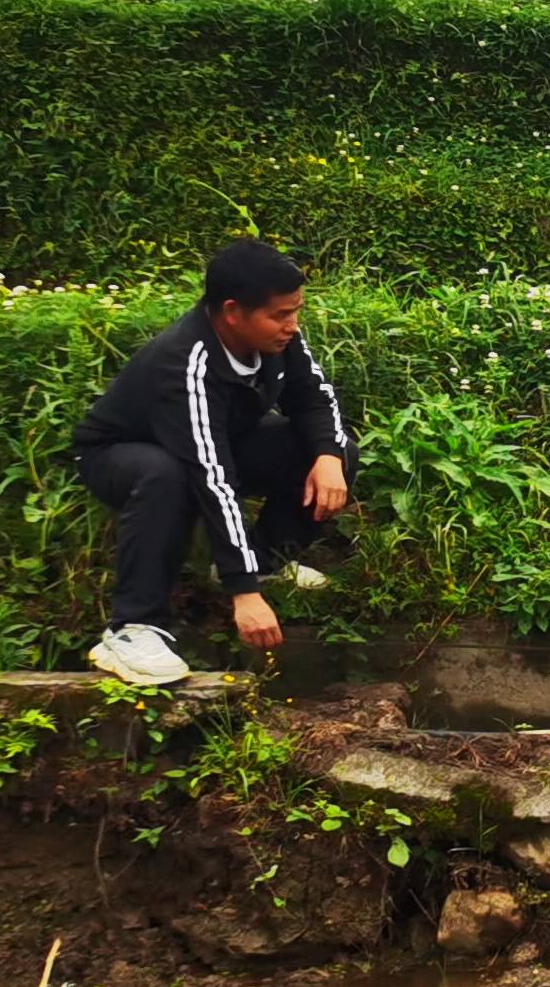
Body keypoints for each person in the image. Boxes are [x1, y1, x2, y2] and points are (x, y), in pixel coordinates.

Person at [72, 238, 353, 685]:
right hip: (122, 455)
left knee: (330, 450)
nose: (292, 325)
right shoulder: (186, 364)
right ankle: (131, 629)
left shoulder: (282, 341)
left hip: (215, 443)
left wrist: (328, 456)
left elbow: (315, 399)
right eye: (280, 315)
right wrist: (245, 594)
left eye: (296, 311)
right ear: (232, 311)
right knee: (166, 475)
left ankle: (267, 559)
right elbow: (210, 476)